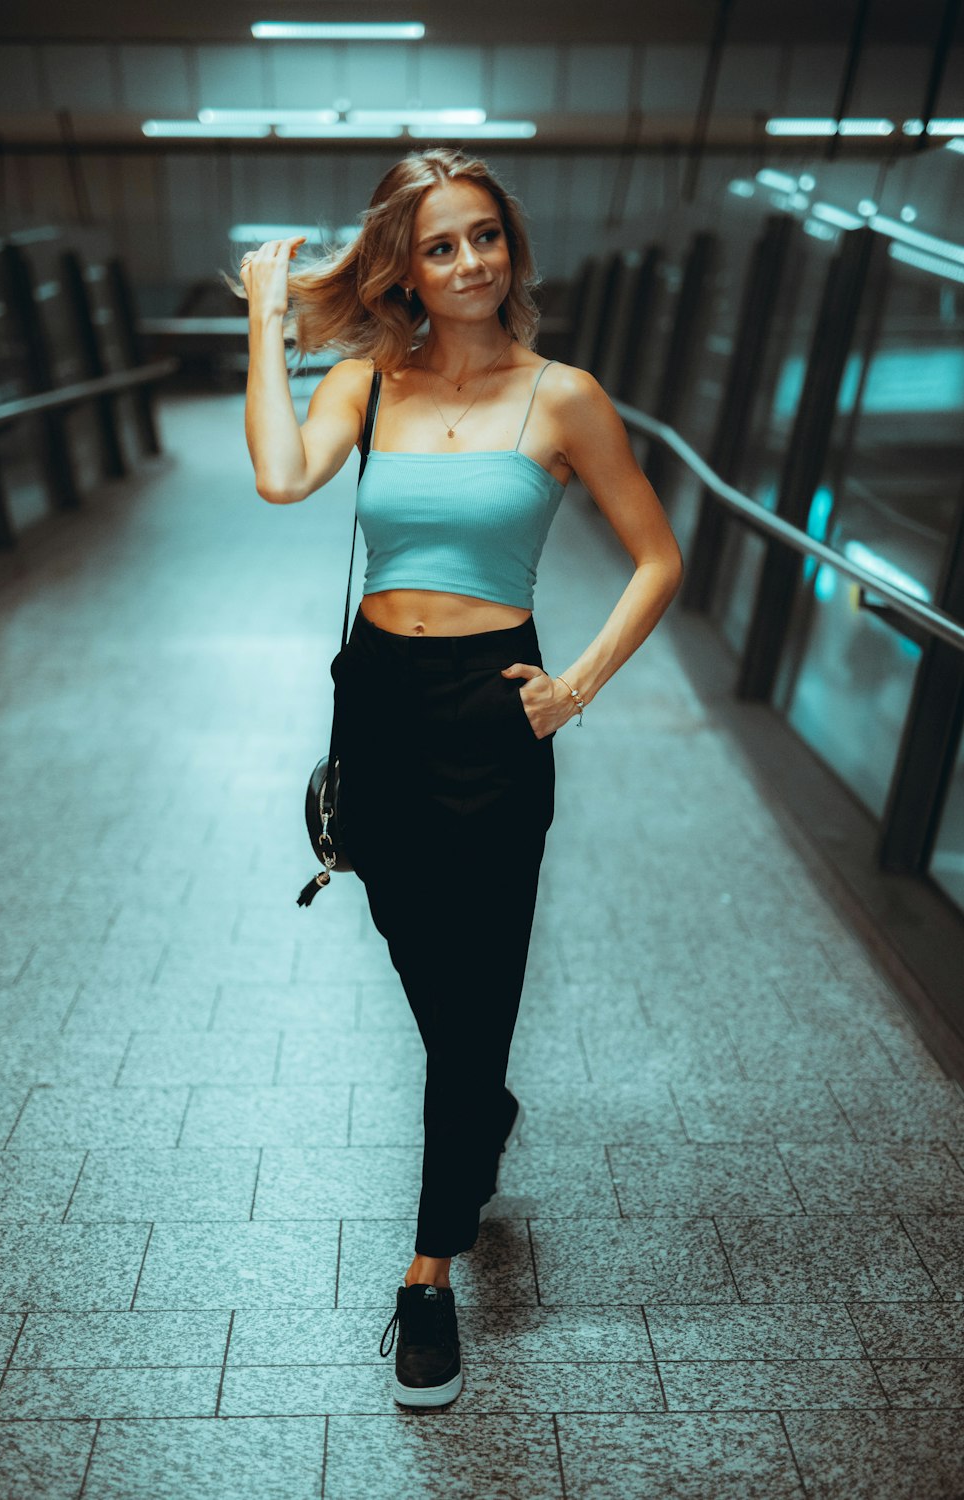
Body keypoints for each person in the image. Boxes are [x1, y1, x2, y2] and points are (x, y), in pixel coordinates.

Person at [239, 147, 683, 1410]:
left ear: (510, 248)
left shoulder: (563, 397)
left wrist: (576, 684)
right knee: (428, 967)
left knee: (477, 986)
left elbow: (657, 559)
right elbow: (280, 476)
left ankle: (428, 1271)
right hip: (376, 704)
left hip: (497, 713)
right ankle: (477, 1106)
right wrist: (270, 330)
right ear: (407, 267)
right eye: (440, 245)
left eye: (484, 236)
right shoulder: (370, 381)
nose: (469, 261)